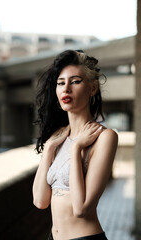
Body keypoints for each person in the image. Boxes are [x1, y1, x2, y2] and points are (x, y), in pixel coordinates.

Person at [32, 50, 118, 240]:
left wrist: (77, 148)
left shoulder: (105, 137)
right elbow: (40, 201)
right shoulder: (58, 135)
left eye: (75, 81)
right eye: (61, 83)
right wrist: (48, 150)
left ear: (93, 88)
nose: (66, 89)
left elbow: (81, 209)